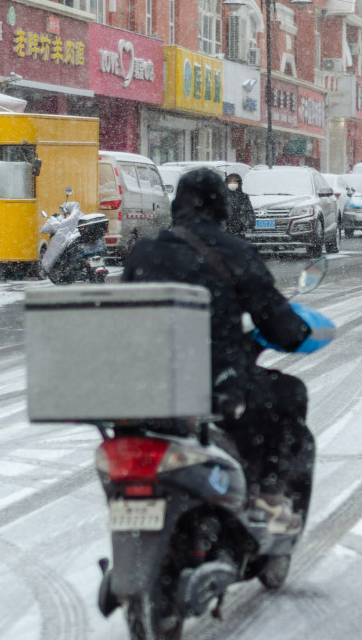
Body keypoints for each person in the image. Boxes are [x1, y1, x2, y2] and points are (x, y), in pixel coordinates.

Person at [122, 167, 320, 534]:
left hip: (148, 384)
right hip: (215, 382)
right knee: (289, 394)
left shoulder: (145, 251)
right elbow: (279, 325)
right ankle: (268, 497)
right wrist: (297, 329)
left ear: (176, 205)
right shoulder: (235, 252)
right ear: (223, 207)